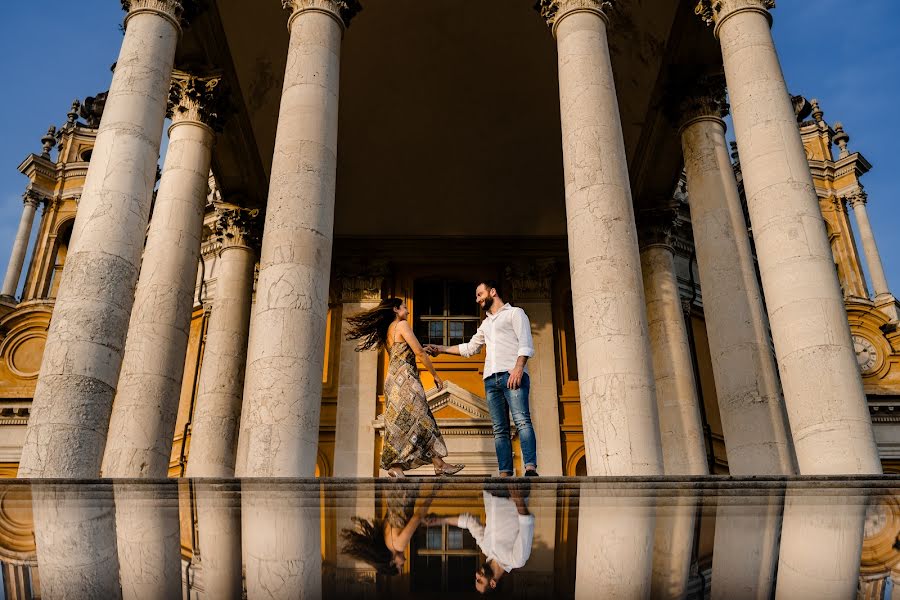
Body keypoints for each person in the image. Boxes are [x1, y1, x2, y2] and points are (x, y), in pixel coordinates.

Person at [426, 281, 538, 476]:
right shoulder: (486, 324)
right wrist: (441, 349)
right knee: (499, 429)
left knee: (522, 421)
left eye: (479, 294)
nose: (477, 299)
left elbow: (525, 342)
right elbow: (470, 348)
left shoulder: (515, 313)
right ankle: (504, 472)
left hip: (512, 374)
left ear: (492, 292)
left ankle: (530, 468)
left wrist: (519, 368)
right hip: (490, 380)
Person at [345, 297, 464, 477]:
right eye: (405, 307)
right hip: (407, 380)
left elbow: (402, 352)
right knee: (423, 419)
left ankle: (397, 467)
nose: (407, 311)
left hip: (392, 381)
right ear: (395, 309)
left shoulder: (387, 331)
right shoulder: (402, 325)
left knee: (399, 424)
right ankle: (438, 464)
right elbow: (419, 352)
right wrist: (435, 375)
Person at [427, 484, 535, 594]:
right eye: (480, 580)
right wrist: (519, 501)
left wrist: (439, 521)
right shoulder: (516, 560)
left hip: (491, 489)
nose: (477, 575)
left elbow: (469, 522)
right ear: (492, 583)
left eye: (476, 579)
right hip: (512, 494)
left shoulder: (485, 548)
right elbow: (527, 525)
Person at [340, 485, 439, 576]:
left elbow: (417, 517)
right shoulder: (386, 539)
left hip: (405, 489)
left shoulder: (399, 545)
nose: (404, 562)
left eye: (401, 566)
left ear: (392, 562)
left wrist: (433, 493)